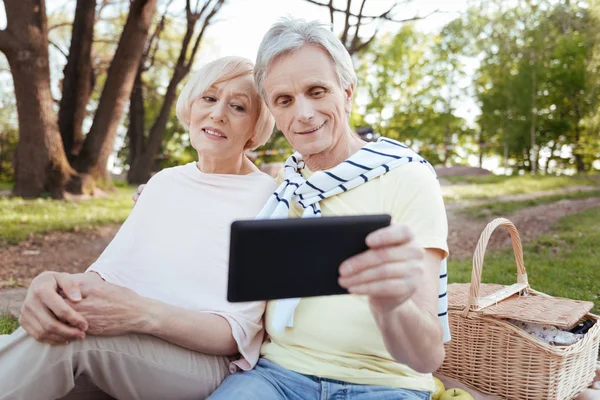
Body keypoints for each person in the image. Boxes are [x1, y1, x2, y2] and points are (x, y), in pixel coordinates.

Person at [0, 56, 277, 400]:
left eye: (238, 107)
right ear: (191, 106)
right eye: (209, 98)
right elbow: (104, 278)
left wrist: (140, 315)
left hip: (202, 364)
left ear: (255, 128)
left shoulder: (267, 199)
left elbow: (235, 334)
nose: (218, 113)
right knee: (46, 335)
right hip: (132, 344)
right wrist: (49, 285)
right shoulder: (165, 182)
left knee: (73, 344)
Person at [206, 17, 450, 400]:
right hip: (276, 376)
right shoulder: (281, 190)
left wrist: (391, 305)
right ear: (273, 110)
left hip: (384, 386)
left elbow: (427, 356)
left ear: (347, 93)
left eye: (317, 91)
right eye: (284, 100)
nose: (303, 113)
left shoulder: (408, 178)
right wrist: (162, 197)